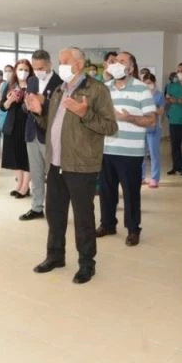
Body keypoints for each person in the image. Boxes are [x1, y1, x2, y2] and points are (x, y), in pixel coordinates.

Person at [26, 47, 117, 284]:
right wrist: (39, 112)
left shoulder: (97, 90)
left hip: (81, 164)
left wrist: (85, 114)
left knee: (83, 217)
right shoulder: (59, 89)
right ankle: (55, 256)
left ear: (79, 64)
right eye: (59, 61)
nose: (61, 65)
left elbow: (110, 127)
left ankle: (87, 263)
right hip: (56, 163)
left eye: (65, 61)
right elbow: (51, 124)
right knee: (54, 214)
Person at [97, 51, 155, 246]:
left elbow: (152, 120)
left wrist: (128, 118)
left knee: (130, 193)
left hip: (130, 152)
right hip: (106, 149)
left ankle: (133, 229)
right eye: (114, 61)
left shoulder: (141, 88)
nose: (117, 64)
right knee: (106, 191)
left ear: (130, 68)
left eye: (122, 61)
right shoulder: (105, 88)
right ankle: (107, 224)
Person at [20, 49, 62, 221]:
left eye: (41, 68)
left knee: (53, 175)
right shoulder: (31, 81)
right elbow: (26, 107)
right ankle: (36, 207)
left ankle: (56, 209)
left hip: (50, 135)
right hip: (31, 133)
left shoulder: (60, 83)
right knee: (36, 173)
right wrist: (27, 105)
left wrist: (43, 105)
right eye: (35, 68)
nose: (38, 71)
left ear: (49, 64)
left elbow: (61, 110)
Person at [0, 59, 33, 197]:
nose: (23, 72)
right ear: (15, 71)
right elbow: (3, 107)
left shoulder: (33, 86)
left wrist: (27, 100)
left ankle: (25, 187)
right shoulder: (10, 86)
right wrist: (10, 99)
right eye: (20, 69)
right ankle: (19, 185)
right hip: (12, 126)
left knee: (27, 157)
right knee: (16, 157)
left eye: (26, 70)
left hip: (28, 126)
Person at [141, 74, 164, 188]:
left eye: (149, 83)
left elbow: (161, 111)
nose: (148, 85)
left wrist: (152, 108)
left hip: (154, 128)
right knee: (141, 154)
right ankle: (141, 176)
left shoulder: (159, 95)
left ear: (154, 83)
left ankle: (155, 178)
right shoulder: (141, 95)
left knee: (154, 154)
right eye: (145, 83)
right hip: (142, 127)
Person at [0, 64, 13, 135]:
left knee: (8, 133)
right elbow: (1, 99)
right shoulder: (2, 84)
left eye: (10, 71)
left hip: (10, 112)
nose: (8, 73)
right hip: (1, 112)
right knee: (2, 132)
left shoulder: (15, 84)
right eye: (6, 71)